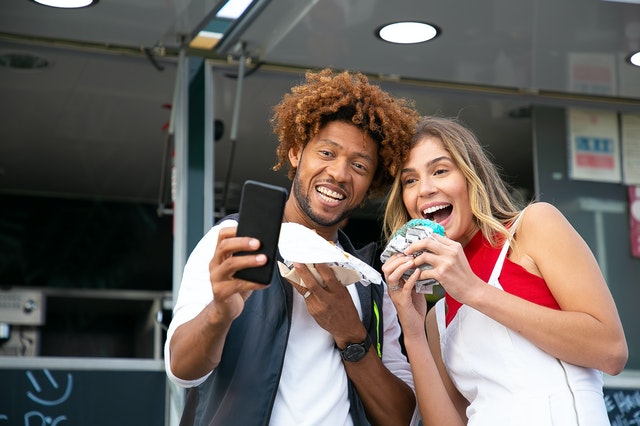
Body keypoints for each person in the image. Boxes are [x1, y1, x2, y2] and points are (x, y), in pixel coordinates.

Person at [164, 68, 421, 426]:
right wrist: (220, 312)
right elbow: (181, 371)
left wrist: (351, 335)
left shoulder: (370, 283)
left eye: (359, 165)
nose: (339, 173)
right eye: (327, 152)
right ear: (297, 152)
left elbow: (399, 418)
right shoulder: (233, 242)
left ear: (371, 184)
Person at [380, 115, 628, 425]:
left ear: (473, 177)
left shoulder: (534, 226)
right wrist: (413, 332)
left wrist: (474, 291)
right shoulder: (436, 318)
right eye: (410, 180)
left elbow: (611, 351)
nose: (425, 189)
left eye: (440, 171)